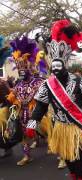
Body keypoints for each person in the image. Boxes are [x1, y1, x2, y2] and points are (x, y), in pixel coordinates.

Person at [26, 19, 82, 180]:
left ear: (64, 65)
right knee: (67, 155)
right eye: (53, 67)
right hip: (60, 126)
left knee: (78, 155)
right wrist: (33, 122)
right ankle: (74, 175)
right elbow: (40, 106)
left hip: (77, 125)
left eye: (58, 67)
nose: (55, 70)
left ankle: (79, 177)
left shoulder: (79, 81)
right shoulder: (48, 85)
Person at [6, 36, 45, 166]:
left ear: (28, 69)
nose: (21, 73)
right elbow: (12, 96)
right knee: (23, 136)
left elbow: (45, 96)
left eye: (23, 71)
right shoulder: (18, 84)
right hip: (22, 113)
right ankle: (27, 156)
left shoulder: (38, 82)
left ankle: (61, 155)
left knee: (47, 131)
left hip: (37, 113)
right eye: (19, 71)